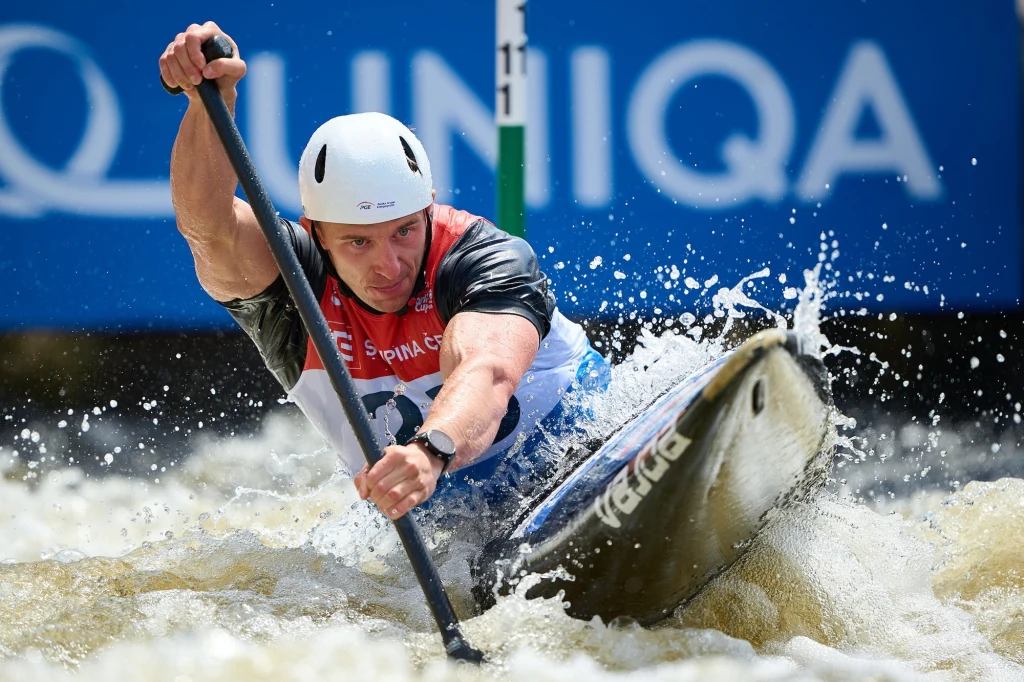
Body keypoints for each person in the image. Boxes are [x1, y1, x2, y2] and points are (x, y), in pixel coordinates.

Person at [159, 22, 609, 524]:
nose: (389, 264)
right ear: (318, 233)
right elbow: (207, 225)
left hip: (588, 450)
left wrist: (431, 450)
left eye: (403, 232)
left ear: (428, 211)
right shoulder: (292, 293)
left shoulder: (481, 259)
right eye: (358, 241)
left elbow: (488, 369)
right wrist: (208, 102)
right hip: (458, 531)